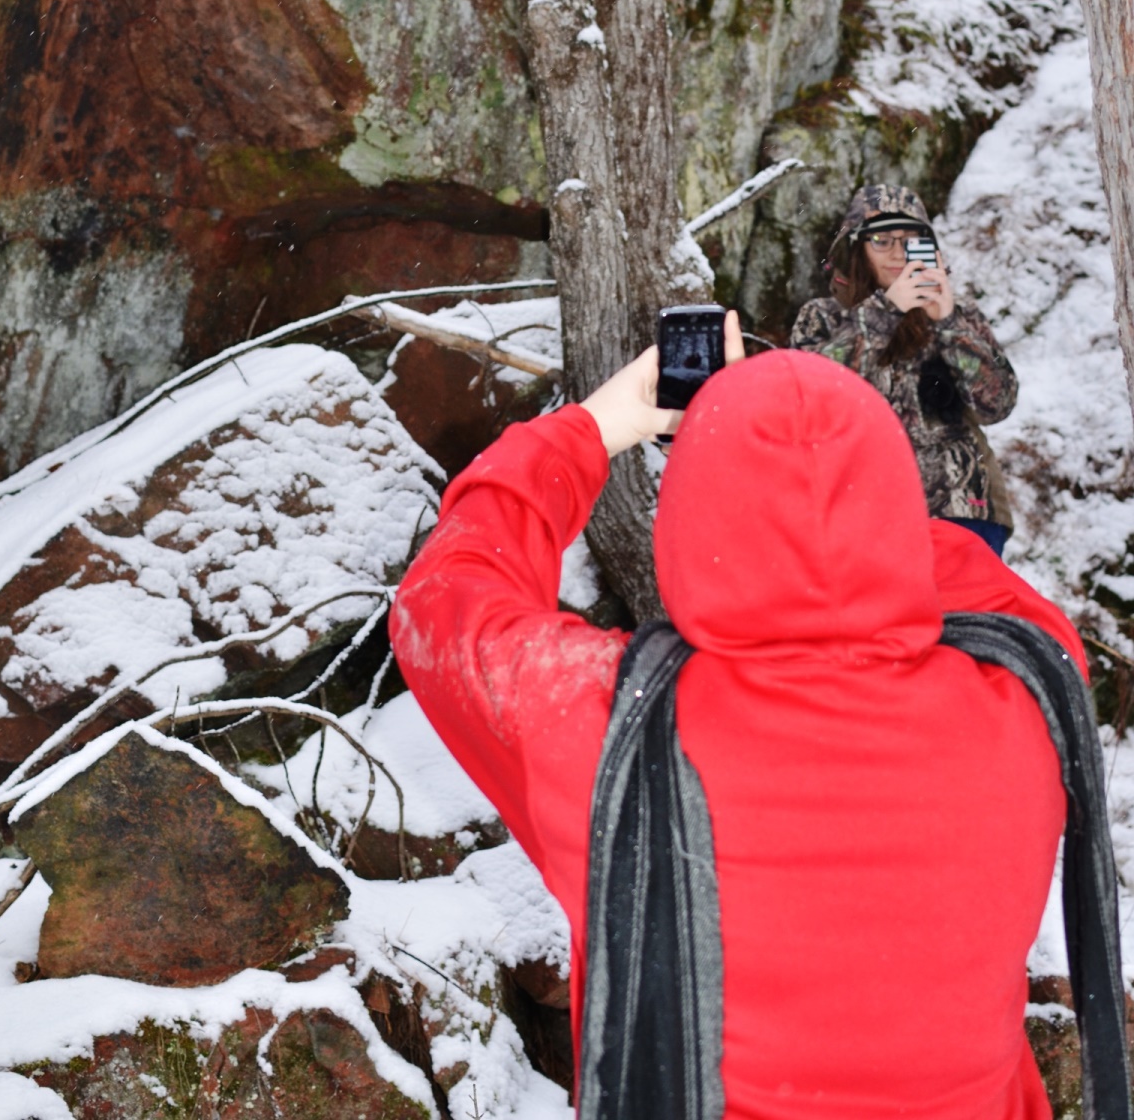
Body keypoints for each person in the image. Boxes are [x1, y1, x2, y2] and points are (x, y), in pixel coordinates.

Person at [390, 333, 1093, 1119]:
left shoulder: (603, 724)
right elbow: (976, 578)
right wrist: (830, 475)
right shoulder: (1029, 695)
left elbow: (445, 598)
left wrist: (592, 428)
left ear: (690, 525)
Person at [790, 182, 1018, 556]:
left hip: (962, 510)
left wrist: (949, 324)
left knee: (964, 615)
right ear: (857, 249)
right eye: (881, 241)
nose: (897, 252)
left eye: (909, 240)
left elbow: (998, 404)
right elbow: (806, 398)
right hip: (858, 515)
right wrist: (884, 312)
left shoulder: (958, 314)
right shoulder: (823, 317)